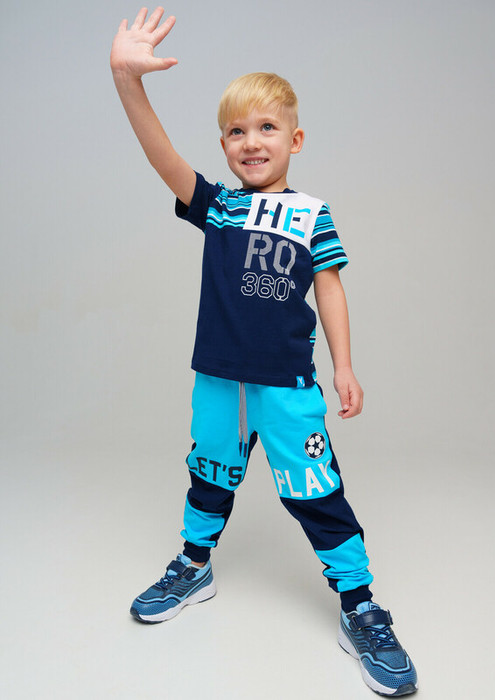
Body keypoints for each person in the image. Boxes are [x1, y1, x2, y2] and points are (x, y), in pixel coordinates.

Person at [110, 7, 418, 696]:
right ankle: (194, 567)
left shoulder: (311, 214)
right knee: (209, 477)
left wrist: (343, 366)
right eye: (236, 131)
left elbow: (329, 289)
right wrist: (128, 81)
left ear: (294, 139)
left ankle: (360, 608)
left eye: (267, 128)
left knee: (317, 493)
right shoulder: (218, 207)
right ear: (224, 144)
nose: (251, 141)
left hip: (285, 386)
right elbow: (161, 157)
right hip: (220, 381)